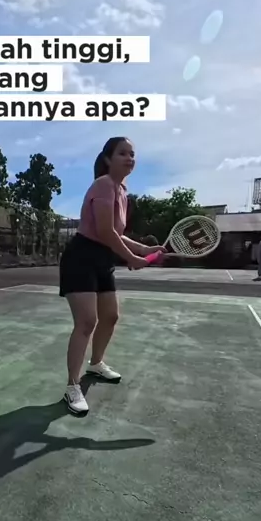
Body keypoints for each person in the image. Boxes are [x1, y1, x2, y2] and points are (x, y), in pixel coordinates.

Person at [59, 136, 165, 415]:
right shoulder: (103, 184)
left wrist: (144, 249)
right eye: (123, 153)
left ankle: (96, 364)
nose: (130, 158)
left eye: (132, 154)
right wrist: (131, 258)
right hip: (81, 257)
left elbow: (117, 234)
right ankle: (72, 386)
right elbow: (104, 231)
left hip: (102, 259)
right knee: (86, 322)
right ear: (108, 159)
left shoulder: (122, 192)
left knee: (111, 316)